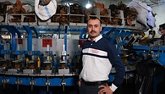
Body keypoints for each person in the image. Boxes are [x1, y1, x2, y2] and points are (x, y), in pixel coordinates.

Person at [78, 17, 125, 94]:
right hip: (83, 87)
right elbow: (82, 64)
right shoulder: (85, 44)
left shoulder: (108, 45)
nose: (93, 29)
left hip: (99, 89)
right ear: (87, 28)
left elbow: (121, 68)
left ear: (100, 28)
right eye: (90, 26)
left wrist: (112, 88)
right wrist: (79, 78)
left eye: (96, 26)